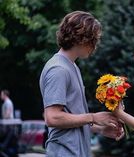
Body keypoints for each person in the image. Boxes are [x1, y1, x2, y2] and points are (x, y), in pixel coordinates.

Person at [39, 11, 124, 157]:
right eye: (93, 40)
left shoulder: (72, 67)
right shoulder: (58, 69)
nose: (95, 46)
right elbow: (52, 117)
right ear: (82, 39)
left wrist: (100, 129)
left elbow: (71, 120)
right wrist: (93, 117)